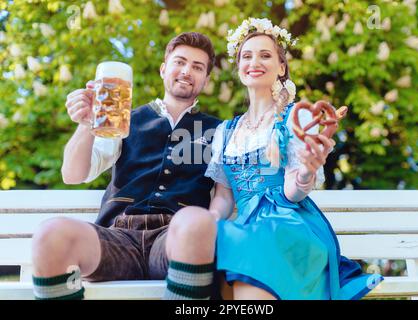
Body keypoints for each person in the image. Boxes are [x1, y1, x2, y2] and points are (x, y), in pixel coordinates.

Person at [178, 18, 384, 300]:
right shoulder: (226, 131)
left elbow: (294, 192)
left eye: (265, 55)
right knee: (215, 242)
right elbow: (224, 197)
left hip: (286, 221)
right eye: (247, 56)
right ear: (239, 68)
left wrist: (305, 173)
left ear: (282, 67)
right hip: (243, 225)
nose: (255, 62)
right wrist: (210, 220)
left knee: (248, 244)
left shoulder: (296, 117)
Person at [31, 32, 222, 300]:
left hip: (174, 241)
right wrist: (85, 125)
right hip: (116, 238)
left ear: (206, 79)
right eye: (180, 62)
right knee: (50, 235)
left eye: (197, 67)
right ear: (163, 68)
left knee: (195, 221)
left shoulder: (219, 131)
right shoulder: (121, 118)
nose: (187, 71)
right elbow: (73, 175)